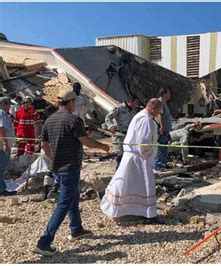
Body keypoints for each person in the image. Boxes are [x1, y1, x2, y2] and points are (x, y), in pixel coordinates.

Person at [32, 89, 110, 256]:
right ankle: (44, 242)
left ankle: (76, 229)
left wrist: (54, 158)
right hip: (70, 167)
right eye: (75, 102)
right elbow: (86, 141)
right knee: (64, 203)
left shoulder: (49, 120)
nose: (76, 105)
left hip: (57, 167)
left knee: (73, 196)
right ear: (70, 102)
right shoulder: (74, 120)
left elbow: (44, 145)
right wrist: (103, 146)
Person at [101, 98, 162, 223]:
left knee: (127, 184)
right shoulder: (146, 120)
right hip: (139, 158)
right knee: (145, 185)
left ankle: (131, 211)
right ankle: (148, 214)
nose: (158, 114)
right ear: (153, 107)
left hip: (132, 156)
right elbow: (143, 143)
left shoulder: (139, 116)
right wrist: (150, 159)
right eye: (158, 111)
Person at [105, 95, 139, 168]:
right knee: (120, 156)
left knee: (127, 156)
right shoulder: (119, 108)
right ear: (130, 101)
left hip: (128, 136)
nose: (136, 105)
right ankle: (118, 174)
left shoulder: (133, 111)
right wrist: (111, 126)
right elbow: (108, 117)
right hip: (119, 136)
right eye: (135, 103)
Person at [0, 96, 17, 196]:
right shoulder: (1, 113)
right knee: (1, 168)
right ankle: (1, 189)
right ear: (3, 104)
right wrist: (5, 144)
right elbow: (1, 129)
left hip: (2, 145)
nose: (10, 106)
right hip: (1, 147)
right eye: (8, 104)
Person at [154, 88, 173, 171]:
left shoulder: (164, 102)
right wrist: (161, 125)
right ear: (164, 94)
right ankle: (158, 165)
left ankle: (163, 163)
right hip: (162, 129)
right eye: (168, 93)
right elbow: (159, 114)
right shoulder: (160, 102)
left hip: (166, 129)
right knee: (161, 147)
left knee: (164, 147)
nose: (170, 95)